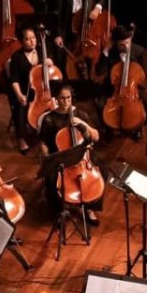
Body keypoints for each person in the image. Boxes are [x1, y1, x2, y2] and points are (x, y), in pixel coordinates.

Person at [38, 84, 103, 223]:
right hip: (61, 155)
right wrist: (46, 156)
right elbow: (43, 142)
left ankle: (90, 207)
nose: (66, 101)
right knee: (51, 179)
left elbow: (96, 137)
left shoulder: (80, 114)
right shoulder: (49, 119)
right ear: (56, 99)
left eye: (68, 98)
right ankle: (59, 211)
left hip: (81, 156)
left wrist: (82, 123)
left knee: (102, 170)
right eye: (62, 98)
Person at [96, 24, 147, 139]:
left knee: (146, 103)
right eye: (122, 44)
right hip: (113, 88)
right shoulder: (110, 52)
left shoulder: (139, 51)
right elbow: (99, 71)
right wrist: (106, 50)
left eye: (128, 43)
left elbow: (143, 74)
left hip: (132, 87)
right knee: (100, 103)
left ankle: (138, 127)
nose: (126, 46)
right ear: (115, 43)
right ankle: (108, 128)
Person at [7, 24, 44, 152]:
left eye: (33, 38)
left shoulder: (42, 51)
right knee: (20, 107)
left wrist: (49, 62)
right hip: (23, 90)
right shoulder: (17, 57)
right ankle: (21, 138)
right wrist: (19, 95)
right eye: (27, 39)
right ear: (22, 41)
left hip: (40, 91)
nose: (32, 41)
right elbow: (14, 80)